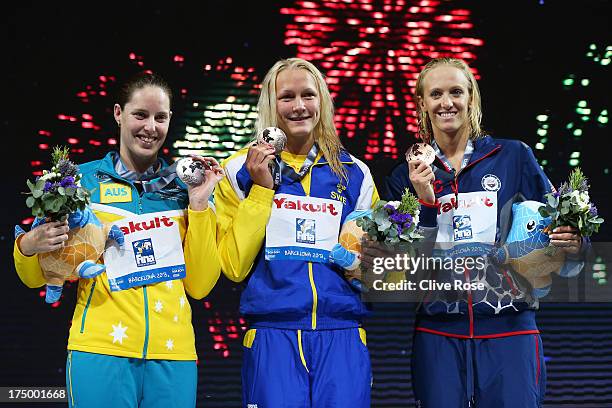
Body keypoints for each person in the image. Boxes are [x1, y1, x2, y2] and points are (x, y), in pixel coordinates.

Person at [13, 72, 224, 408]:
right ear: (118, 113)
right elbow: (35, 276)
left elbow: (199, 285)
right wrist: (27, 246)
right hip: (100, 350)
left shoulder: (187, 189)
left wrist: (199, 206)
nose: (150, 127)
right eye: (140, 115)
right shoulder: (78, 182)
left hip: (174, 354)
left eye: (160, 117)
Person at [382, 57, 583, 407]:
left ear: (471, 98)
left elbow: (561, 237)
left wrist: (575, 245)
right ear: (422, 104)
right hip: (437, 334)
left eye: (456, 92)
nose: (447, 102)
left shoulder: (514, 156)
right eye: (436, 94)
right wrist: (427, 205)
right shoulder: (405, 177)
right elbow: (406, 269)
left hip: (511, 329)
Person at [215, 57, 379, 407]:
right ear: (270, 105)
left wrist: (360, 265)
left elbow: (374, 271)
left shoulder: (355, 173)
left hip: (343, 335)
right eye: (287, 97)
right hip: (273, 336)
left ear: (323, 100)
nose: (299, 106)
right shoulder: (237, 170)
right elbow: (233, 266)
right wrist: (261, 191)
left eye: (308, 94)